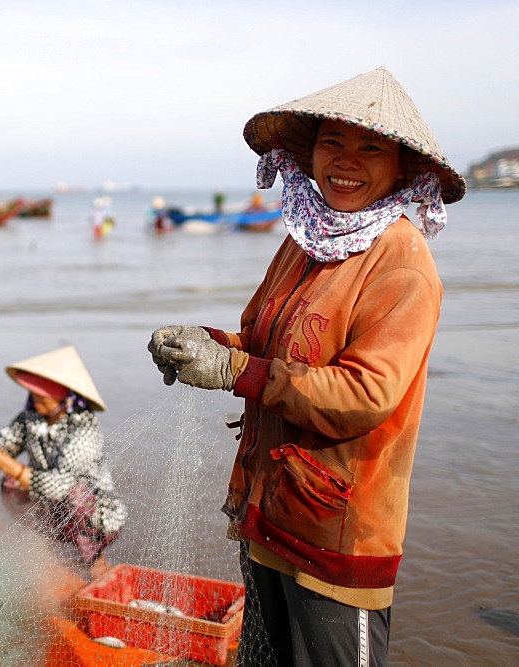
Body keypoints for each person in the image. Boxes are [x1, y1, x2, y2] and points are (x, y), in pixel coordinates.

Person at [147, 67, 465, 666]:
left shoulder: (402, 261)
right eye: (331, 143)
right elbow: (268, 342)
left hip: (336, 530)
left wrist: (235, 370)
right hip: (268, 510)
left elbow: (365, 395)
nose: (346, 161)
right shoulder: (305, 238)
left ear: (402, 167)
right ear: (310, 151)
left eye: (370, 147)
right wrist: (208, 345)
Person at [0, 346, 127, 576]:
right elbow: (0, 449)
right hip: (52, 505)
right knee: (11, 484)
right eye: (33, 394)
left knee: (74, 494)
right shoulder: (30, 418)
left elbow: (62, 485)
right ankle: (46, 549)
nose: (35, 400)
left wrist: (7, 464)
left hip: (93, 513)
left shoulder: (84, 425)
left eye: (42, 396)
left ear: (64, 395)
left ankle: (95, 559)